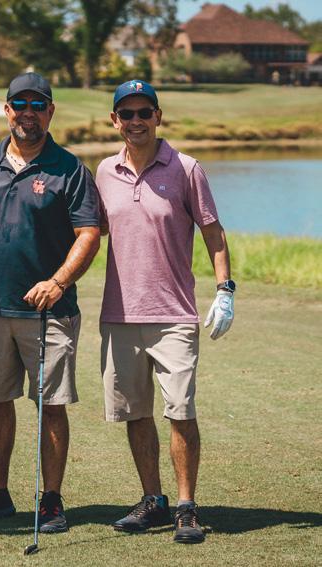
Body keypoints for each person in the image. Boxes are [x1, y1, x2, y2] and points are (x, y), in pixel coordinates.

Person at [0, 72, 101, 533]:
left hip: (49, 312)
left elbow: (89, 234)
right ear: (7, 110)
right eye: (20, 104)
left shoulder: (70, 168)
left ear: (50, 112)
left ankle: (51, 499)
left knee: (50, 406)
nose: (28, 113)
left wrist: (59, 282)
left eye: (38, 105)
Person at [95, 79, 235, 544]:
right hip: (120, 314)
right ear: (115, 120)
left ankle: (186, 506)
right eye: (127, 114)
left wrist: (225, 289)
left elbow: (213, 232)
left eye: (144, 112)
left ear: (158, 116)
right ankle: (153, 499)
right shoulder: (104, 171)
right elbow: (89, 232)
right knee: (136, 414)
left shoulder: (186, 168)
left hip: (174, 313)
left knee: (180, 411)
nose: (136, 121)